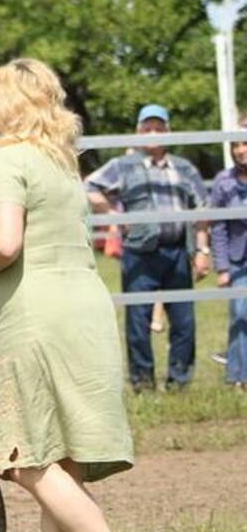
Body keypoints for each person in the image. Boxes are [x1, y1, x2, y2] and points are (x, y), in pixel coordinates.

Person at [0, 58, 157, 532]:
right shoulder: (61, 164)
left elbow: (4, 244)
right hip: (85, 309)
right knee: (62, 463)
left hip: (37, 315)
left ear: (2, 105)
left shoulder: (4, 160)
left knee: (25, 461)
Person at [85, 104, 210, 391]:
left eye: (159, 128)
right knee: (138, 321)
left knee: (184, 322)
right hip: (140, 253)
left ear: (168, 131)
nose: (153, 133)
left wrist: (202, 251)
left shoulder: (184, 168)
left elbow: (202, 210)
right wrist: (114, 216)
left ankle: (180, 382)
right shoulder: (123, 165)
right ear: (138, 132)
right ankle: (143, 382)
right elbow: (89, 186)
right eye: (147, 128)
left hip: (178, 251)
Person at [210, 115, 247, 389]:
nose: (241, 150)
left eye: (245, 144)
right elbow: (218, 227)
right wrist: (222, 267)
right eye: (236, 145)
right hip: (239, 259)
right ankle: (238, 376)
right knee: (240, 313)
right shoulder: (224, 181)